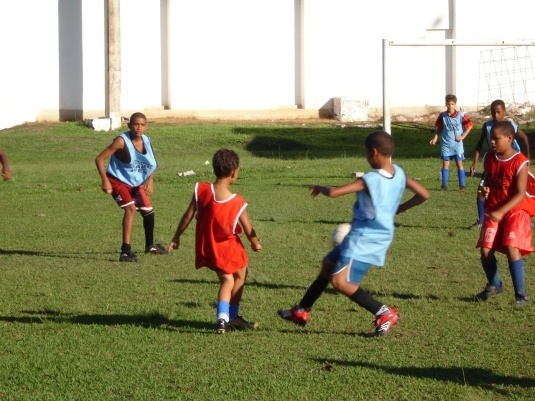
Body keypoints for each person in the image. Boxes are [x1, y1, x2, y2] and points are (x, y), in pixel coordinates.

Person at [278, 131, 430, 336]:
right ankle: (301, 311)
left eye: (367, 153)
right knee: (328, 264)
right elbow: (424, 195)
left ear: (374, 153)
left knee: (340, 282)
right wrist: (400, 208)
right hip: (369, 233)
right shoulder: (399, 173)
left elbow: (335, 192)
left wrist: (320, 187)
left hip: (366, 237)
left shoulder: (370, 179)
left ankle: (385, 313)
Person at [168, 148, 262, 333]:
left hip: (208, 247)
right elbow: (249, 229)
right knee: (229, 279)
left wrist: (176, 236)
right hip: (227, 250)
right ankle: (224, 318)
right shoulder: (237, 202)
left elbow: (187, 217)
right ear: (234, 173)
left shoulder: (201, 189)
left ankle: (231, 317)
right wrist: (255, 242)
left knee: (241, 274)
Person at [95, 112, 168, 263]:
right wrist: (105, 181)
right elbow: (99, 158)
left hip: (135, 184)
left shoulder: (147, 140)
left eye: (142, 125)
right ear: (129, 125)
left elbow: (152, 163)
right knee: (131, 209)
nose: (139, 127)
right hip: (118, 181)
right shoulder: (121, 141)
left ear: (146, 126)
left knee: (149, 211)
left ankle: (150, 246)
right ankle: (125, 252)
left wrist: (150, 180)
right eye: (135, 124)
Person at [474, 121, 531, 307]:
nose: (492, 142)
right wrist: (485, 191)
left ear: (509, 138)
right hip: (494, 209)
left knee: (511, 249)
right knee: (485, 250)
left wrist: (501, 211)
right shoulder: (489, 158)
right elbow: (489, 181)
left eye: (496, 138)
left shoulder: (520, 161)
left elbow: (521, 193)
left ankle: (521, 296)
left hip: (515, 211)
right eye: (491, 138)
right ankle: (495, 285)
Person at [468, 99, 530, 230]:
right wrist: (475, 162)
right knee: (481, 189)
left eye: (498, 112)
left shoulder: (510, 125)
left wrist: (527, 159)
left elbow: (524, 138)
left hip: (512, 164)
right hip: (494, 162)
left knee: (516, 191)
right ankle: (481, 220)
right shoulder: (487, 125)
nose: (496, 115)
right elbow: (479, 143)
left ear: (504, 112)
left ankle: (523, 217)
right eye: (493, 112)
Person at [430, 94, 473, 191]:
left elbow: (469, 126)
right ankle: (444, 186)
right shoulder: (443, 115)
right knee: (445, 164)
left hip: (457, 145)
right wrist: (435, 137)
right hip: (446, 144)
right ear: (446, 104)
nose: (450, 106)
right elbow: (439, 128)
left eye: (452, 104)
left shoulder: (461, 115)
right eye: (448, 104)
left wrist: (463, 136)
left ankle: (462, 186)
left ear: (455, 104)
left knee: (459, 164)